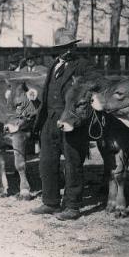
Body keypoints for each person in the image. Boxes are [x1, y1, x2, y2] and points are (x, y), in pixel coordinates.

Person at [30, 32, 92, 221]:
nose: (66, 51)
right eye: (62, 48)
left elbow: (93, 82)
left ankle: (72, 206)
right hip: (49, 120)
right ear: (57, 49)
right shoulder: (54, 65)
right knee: (47, 161)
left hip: (71, 120)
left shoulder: (82, 65)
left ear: (74, 47)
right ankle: (50, 202)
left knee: (73, 163)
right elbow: (49, 91)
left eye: (69, 47)